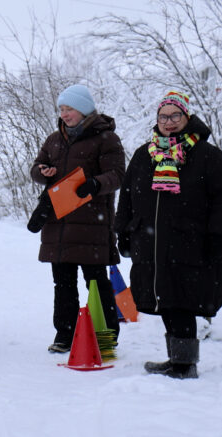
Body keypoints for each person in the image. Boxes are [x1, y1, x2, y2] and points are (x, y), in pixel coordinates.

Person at [115, 91, 222, 379]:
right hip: (150, 242)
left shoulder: (207, 156)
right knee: (163, 299)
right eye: (163, 116)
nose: (169, 122)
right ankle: (177, 359)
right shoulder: (144, 154)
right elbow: (126, 196)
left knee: (182, 300)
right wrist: (122, 231)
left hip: (190, 242)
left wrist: (216, 236)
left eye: (175, 116)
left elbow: (219, 200)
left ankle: (185, 365)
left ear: (187, 117)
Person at [29, 84, 125, 353]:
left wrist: (95, 184)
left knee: (96, 282)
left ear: (83, 109)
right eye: (61, 109)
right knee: (63, 283)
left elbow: (118, 175)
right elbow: (35, 169)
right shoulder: (54, 139)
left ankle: (106, 335)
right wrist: (42, 172)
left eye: (69, 108)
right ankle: (64, 335)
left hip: (91, 224)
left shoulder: (107, 139)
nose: (64, 114)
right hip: (57, 223)